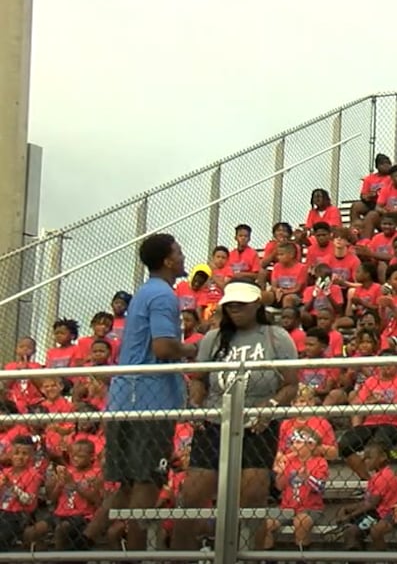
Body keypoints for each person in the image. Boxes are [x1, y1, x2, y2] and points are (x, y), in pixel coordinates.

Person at [172, 281, 299, 550]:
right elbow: (199, 380)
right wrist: (197, 405)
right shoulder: (213, 339)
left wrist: (271, 405)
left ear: (256, 304)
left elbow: (290, 384)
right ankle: (179, 554)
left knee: (252, 494)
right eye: (230, 304)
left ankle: (249, 553)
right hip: (216, 420)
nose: (235, 308)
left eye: (241, 303)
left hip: (258, 424)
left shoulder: (275, 336)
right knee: (193, 493)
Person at [99, 234, 196, 552]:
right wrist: (193, 348)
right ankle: (137, 554)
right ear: (168, 260)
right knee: (147, 480)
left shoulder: (144, 291)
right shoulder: (164, 296)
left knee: (126, 484)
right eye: (178, 252)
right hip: (148, 400)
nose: (183, 256)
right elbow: (164, 346)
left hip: (123, 397)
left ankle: (82, 543)